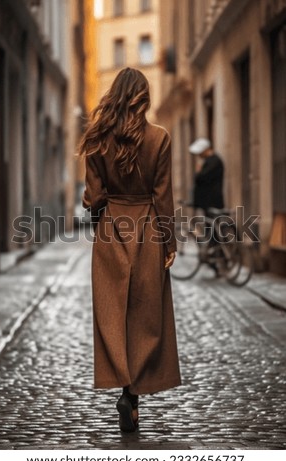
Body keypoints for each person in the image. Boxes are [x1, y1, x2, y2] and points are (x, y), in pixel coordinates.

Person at [79, 67, 181, 433]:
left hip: (110, 232)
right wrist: (169, 241)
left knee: (112, 314)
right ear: (144, 97)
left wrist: (98, 204)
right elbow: (162, 196)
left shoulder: (97, 139)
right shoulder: (160, 138)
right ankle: (132, 393)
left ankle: (124, 391)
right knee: (145, 313)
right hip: (148, 230)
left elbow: (93, 199)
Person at [189, 138, 224, 215]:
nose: (199, 155)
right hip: (207, 202)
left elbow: (201, 177)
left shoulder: (214, 161)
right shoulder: (209, 161)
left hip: (212, 201)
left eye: (200, 152)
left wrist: (198, 172)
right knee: (209, 224)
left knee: (211, 224)